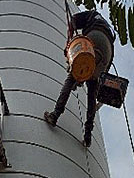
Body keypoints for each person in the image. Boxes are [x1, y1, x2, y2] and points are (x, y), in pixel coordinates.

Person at [44, 9, 115, 147]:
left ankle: (55, 115)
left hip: (94, 38)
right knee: (92, 95)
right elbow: (105, 67)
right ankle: (87, 137)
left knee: (71, 78)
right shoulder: (105, 24)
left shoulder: (89, 14)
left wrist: (69, 45)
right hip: (107, 53)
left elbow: (72, 21)